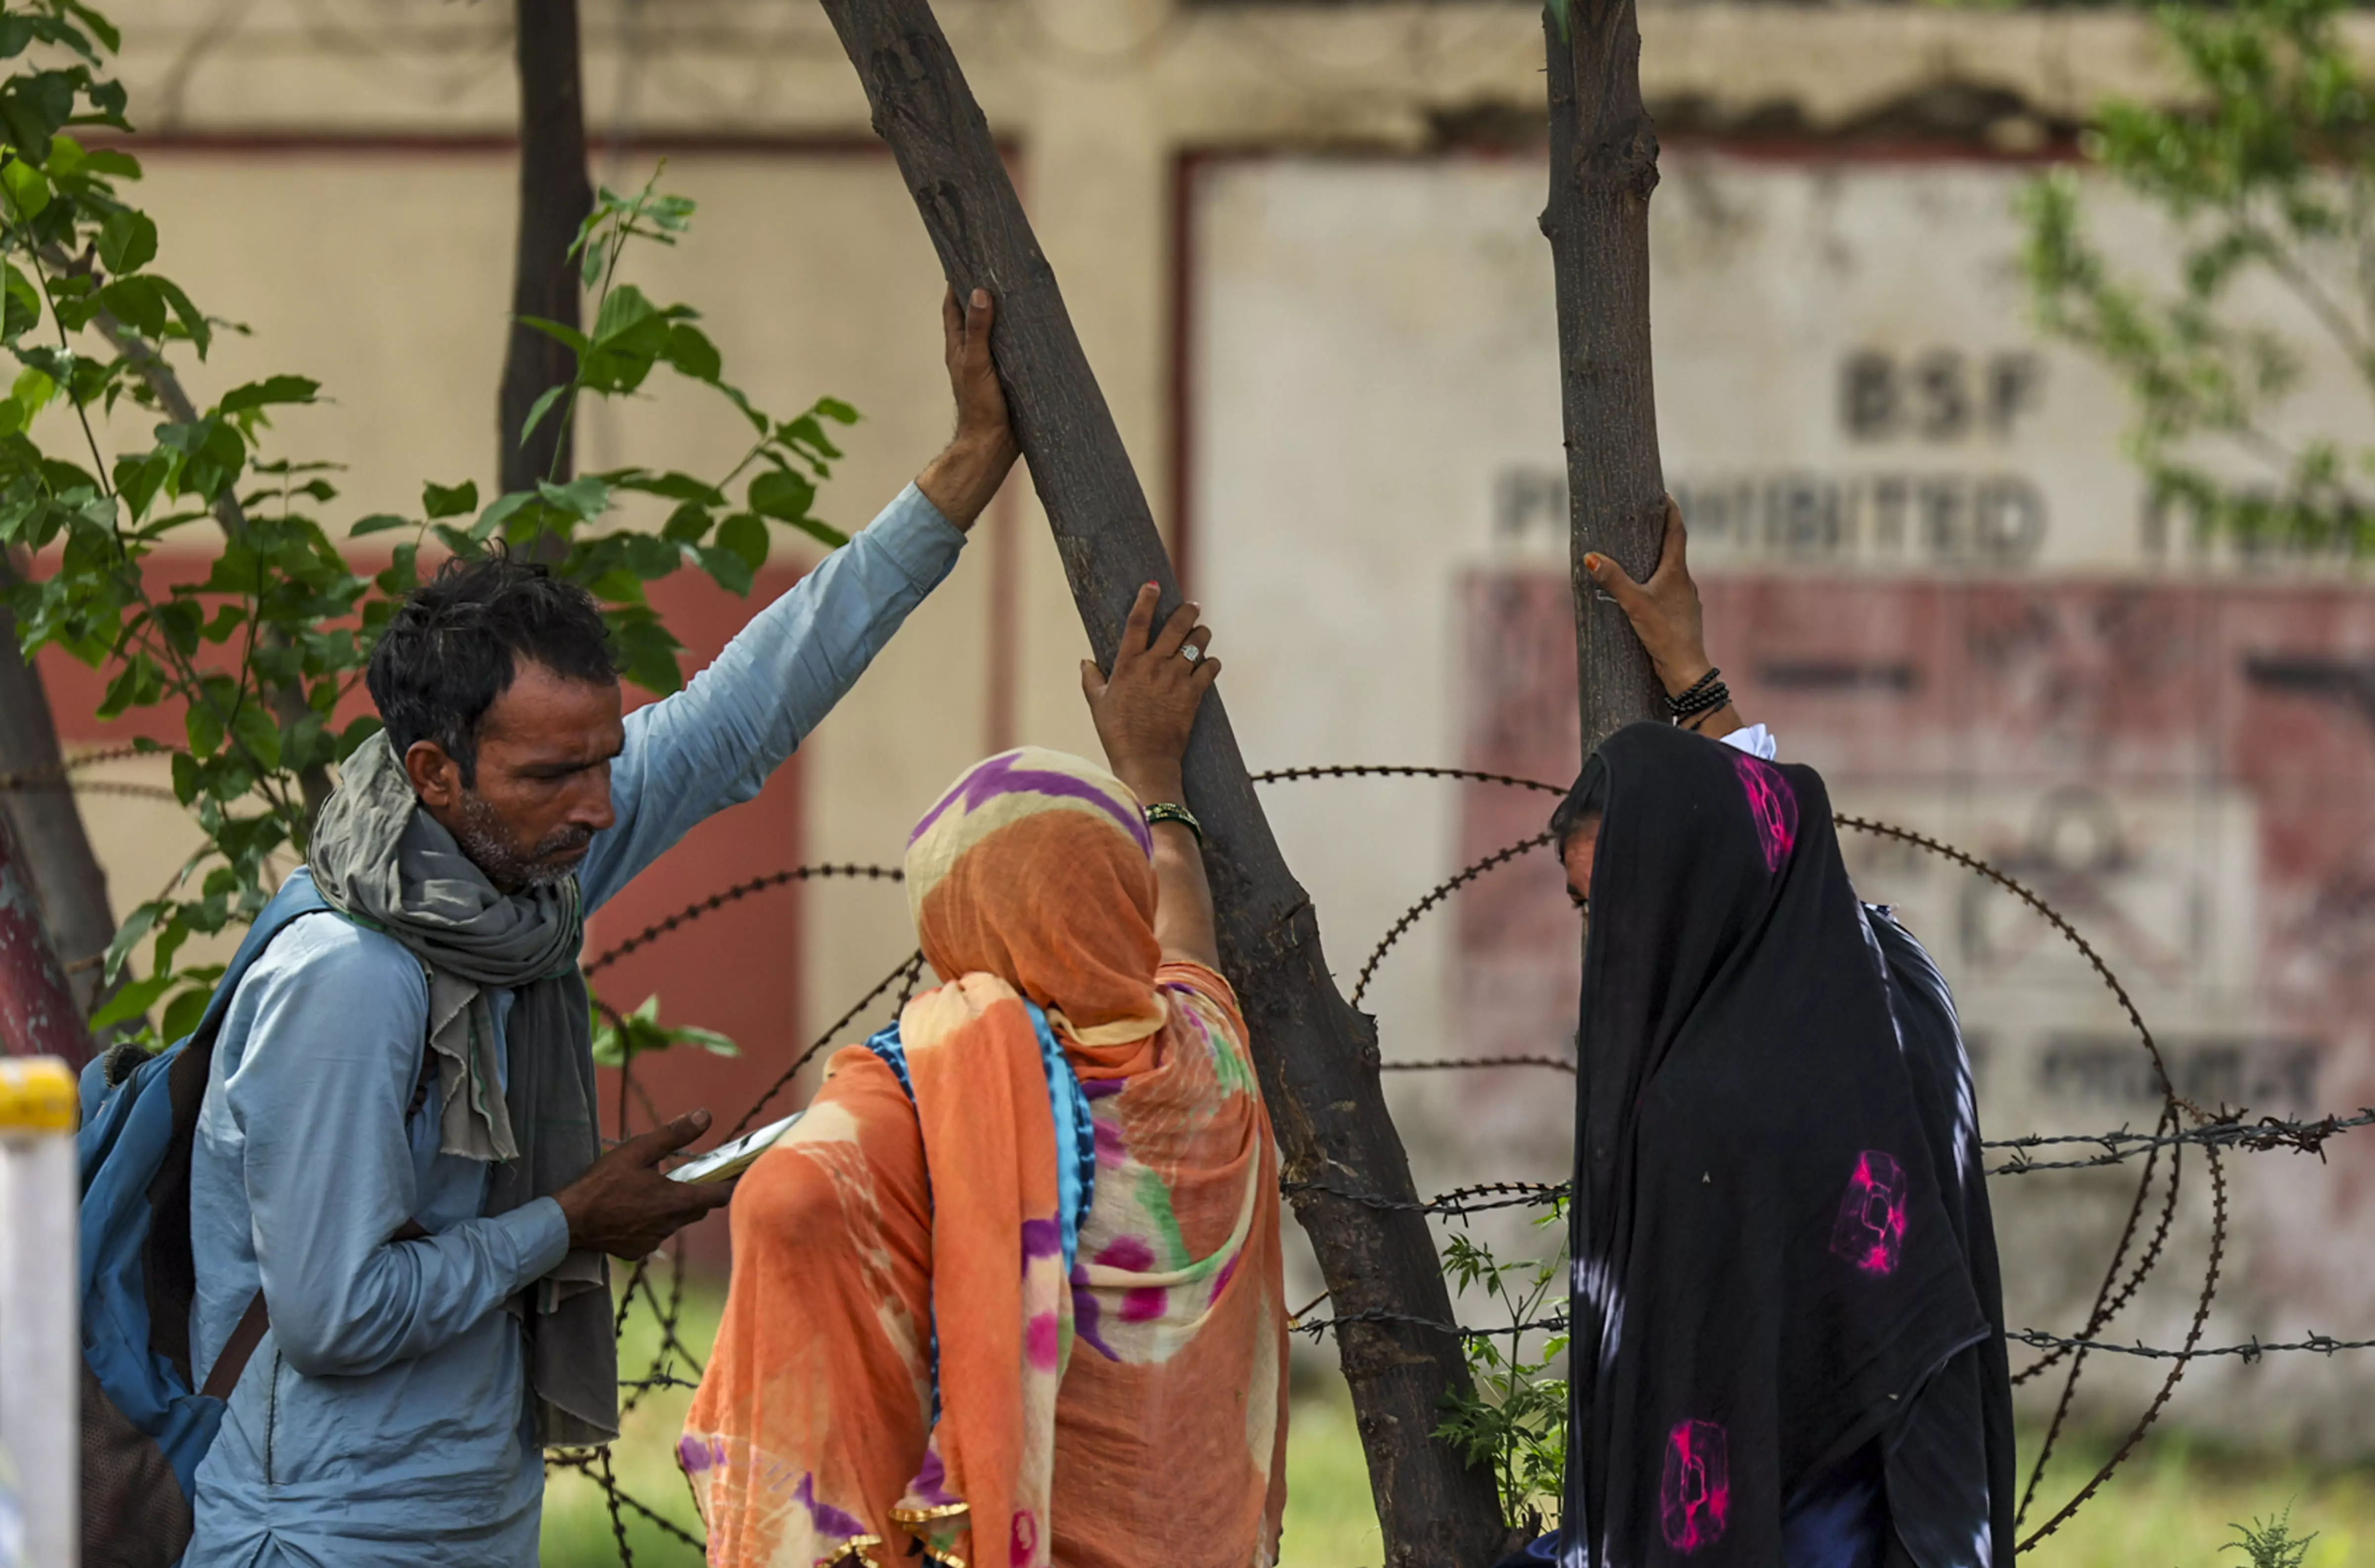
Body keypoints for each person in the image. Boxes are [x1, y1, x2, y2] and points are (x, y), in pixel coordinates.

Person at [179, 289, 1023, 1568]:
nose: (599, 808)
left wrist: (963, 474)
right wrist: (571, 1223)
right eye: (552, 777)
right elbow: (334, 1314)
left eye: (606, 760)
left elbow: (744, 712)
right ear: (434, 772)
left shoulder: (514, 872)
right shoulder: (349, 978)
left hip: (465, 1516)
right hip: (320, 1538)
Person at [683, 585, 1288, 1568]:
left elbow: (788, 1200)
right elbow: (1181, 913)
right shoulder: (1208, 1059)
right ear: (1120, 889)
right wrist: (1151, 774)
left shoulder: (928, 1096)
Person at [1528, 502, 2014, 1568]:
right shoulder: (1883, 973)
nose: (1621, 952)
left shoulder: (1708, 1095)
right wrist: (1696, 680)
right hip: (1923, 1509)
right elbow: (1774, 845)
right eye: (1594, 919)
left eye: (1636, 909)